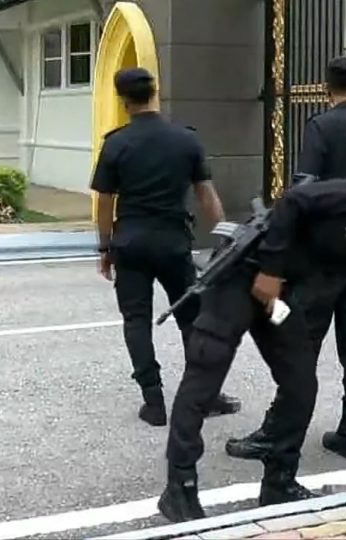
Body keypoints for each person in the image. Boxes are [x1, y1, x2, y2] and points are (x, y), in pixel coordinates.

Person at [158, 178, 346, 522]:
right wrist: (270, 270)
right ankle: (179, 487)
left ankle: (279, 482)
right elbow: (293, 203)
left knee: (301, 383)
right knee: (206, 371)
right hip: (243, 274)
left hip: (279, 299)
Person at [226, 56, 346, 463]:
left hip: (320, 257)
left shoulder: (321, 127)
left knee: (301, 341)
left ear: (327, 89)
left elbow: (303, 189)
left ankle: (278, 428)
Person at [91, 67, 239, 427]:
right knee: (193, 318)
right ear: (155, 93)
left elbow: (105, 201)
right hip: (173, 243)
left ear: (123, 100)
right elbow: (206, 193)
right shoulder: (185, 140)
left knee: (136, 320)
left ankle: (153, 401)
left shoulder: (116, 143)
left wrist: (105, 247)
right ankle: (205, 395)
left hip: (131, 244)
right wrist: (224, 239)